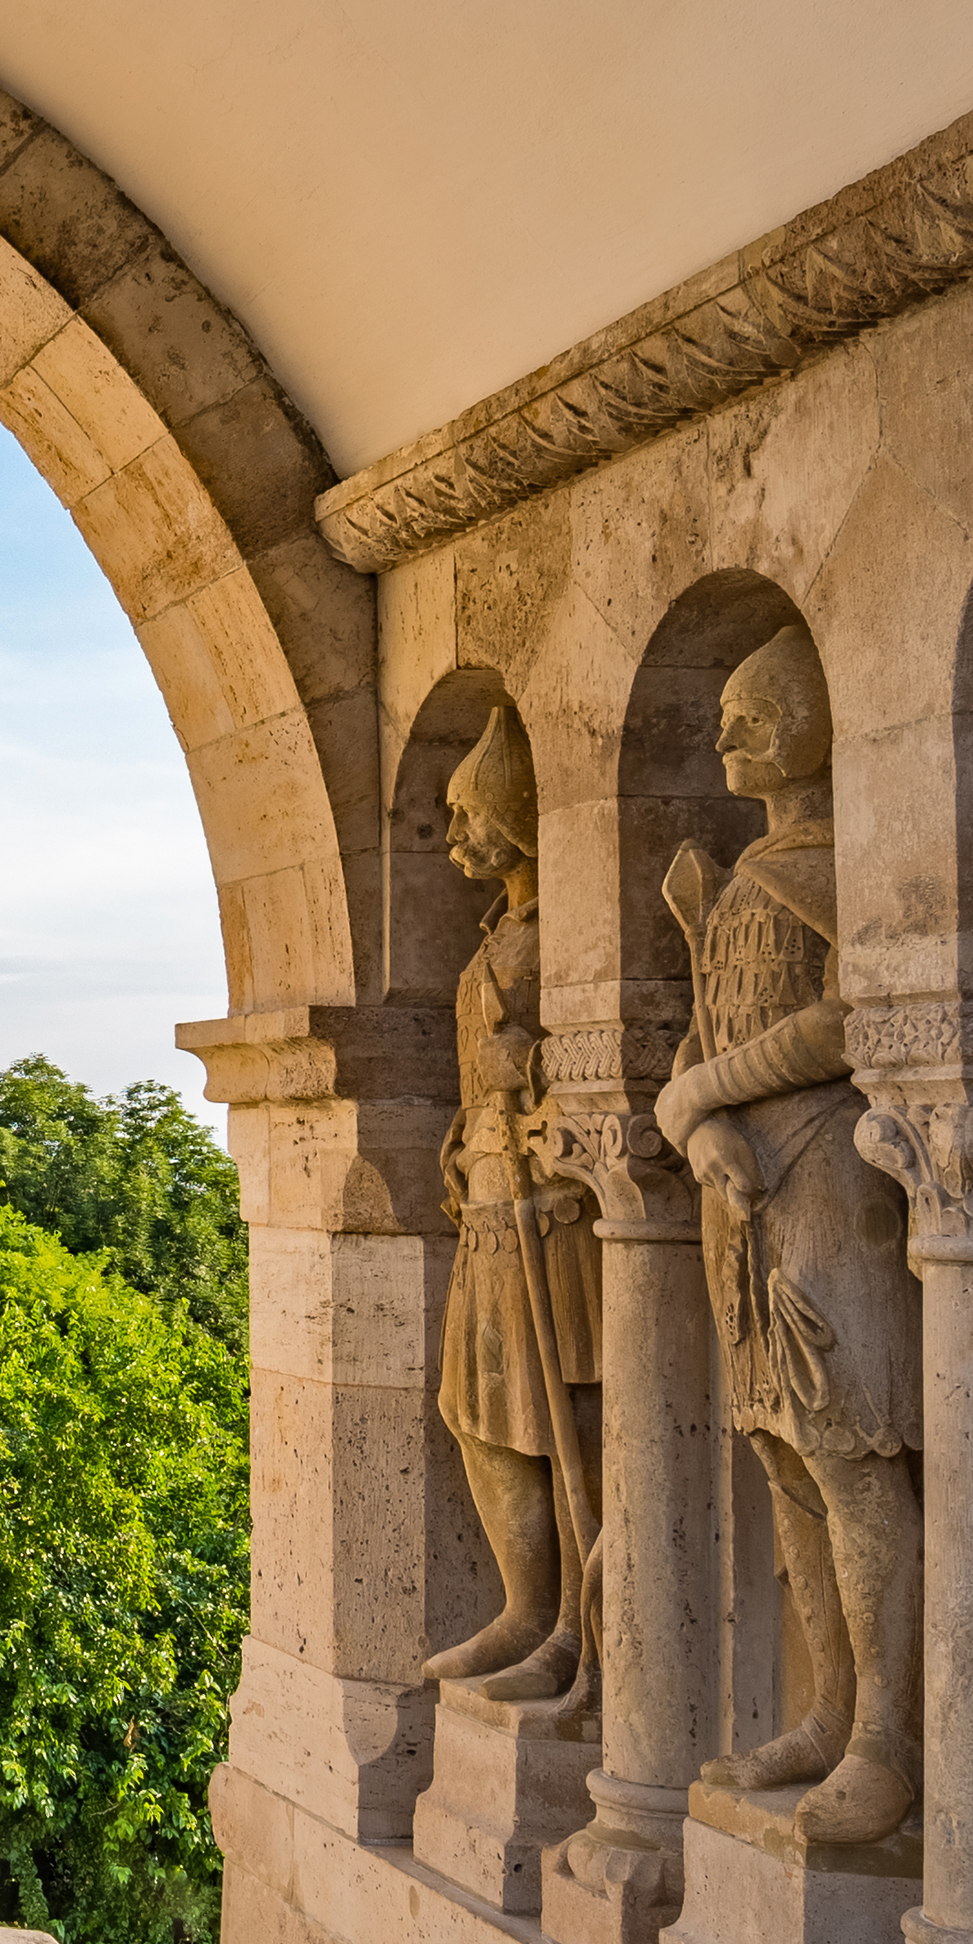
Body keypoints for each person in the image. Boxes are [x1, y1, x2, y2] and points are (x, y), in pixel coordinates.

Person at [655, 625, 925, 1845]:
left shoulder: (834, 865)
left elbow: (851, 1017)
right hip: (741, 1200)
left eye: (758, 711)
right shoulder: (738, 877)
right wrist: (699, 1123)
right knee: (781, 1455)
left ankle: (889, 1737)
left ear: (822, 722)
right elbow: (701, 1034)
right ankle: (828, 1708)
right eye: (725, 714)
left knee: (851, 1448)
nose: (728, 736)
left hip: (828, 1181)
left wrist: (705, 1097)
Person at [426, 707, 597, 1719]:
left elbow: (621, 1041)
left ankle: (576, 1622)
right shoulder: (502, 932)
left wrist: (531, 1063)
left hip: (555, 1210)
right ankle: (523, 1604)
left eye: (465, 815)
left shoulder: (567, 928)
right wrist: (459, 1133)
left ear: (515, 817)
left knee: (564, 1418)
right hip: (489, 1199)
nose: (452, 838)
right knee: (477, 1409)